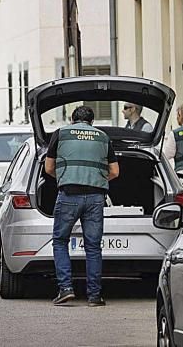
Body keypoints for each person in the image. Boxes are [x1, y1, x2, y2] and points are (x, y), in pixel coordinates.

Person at [45, 105, 120, 307]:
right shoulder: (102, 137)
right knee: (93, 247)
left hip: (69, 194)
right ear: (92, 122)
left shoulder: (60, 134)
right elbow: (115, 171)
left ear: (72, 119)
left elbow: (48, 167)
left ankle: (66, 289)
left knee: (60, 241)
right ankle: (94, 296)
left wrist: (65, 177)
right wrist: (97, 179)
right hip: (96, 197)